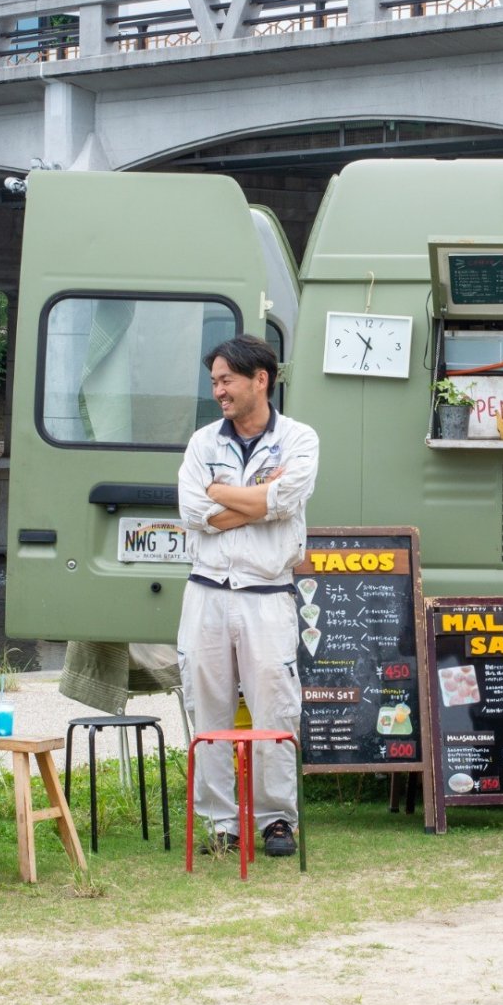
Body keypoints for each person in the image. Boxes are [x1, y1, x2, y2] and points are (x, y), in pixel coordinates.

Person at [176, 334, 320, 858]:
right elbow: (193, 514)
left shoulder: (299, 438)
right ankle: (220, 823)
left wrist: (223, 497)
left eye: (226, 380)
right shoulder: (202, 444)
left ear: (260, 379)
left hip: (268, 593)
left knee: (275, 709)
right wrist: (256, 501)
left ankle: (276, 820)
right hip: (206, 593)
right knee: (206, 706)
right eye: (214, 381)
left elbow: (288, 500)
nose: (218, 391)